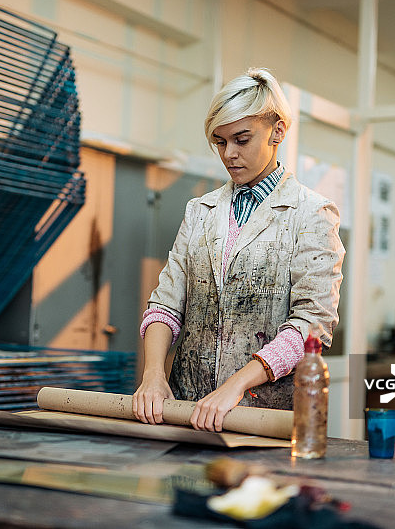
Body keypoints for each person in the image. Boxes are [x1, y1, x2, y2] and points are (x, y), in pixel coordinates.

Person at [132, 68, 345, 433]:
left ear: (277, 130)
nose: (229, 154)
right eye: (220, 142)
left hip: (260, 417)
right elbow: (165, 304)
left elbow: (312, 324)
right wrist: (152, 375)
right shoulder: (200, 212)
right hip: (186, 409)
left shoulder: (312, 214)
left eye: (241, 140)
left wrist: (236, 385)